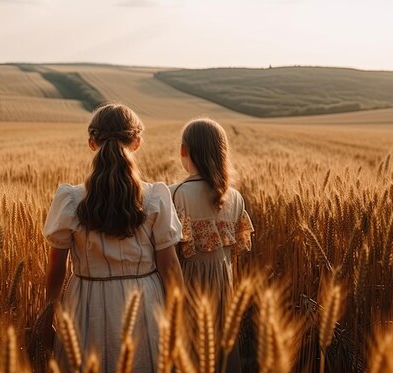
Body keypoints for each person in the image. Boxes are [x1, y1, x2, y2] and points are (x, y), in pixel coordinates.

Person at [43, 103, 184, 372]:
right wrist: (181, 314)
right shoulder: (156, 196)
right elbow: (170, 266)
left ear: (91, 143)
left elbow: (56, 267)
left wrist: (47, 313)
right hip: (144, 300)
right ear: (137, 142)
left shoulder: (70, 199)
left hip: (86, 300)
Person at [169, 118, 254, 359]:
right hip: (223, 286)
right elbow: (236, 251)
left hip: (187, 285)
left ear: (184, 151)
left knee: (189, 353)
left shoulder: (175, 194)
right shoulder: (235, 197)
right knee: (218, 350)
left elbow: (168, 250)